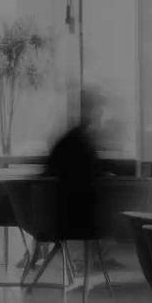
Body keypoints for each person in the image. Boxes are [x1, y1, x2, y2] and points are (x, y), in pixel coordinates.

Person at [44, 88, 106, 241]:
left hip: (58, 216)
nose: (101, 114)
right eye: (98, 109)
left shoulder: (70, 140)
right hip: (77, 219)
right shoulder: (81, 142)